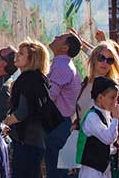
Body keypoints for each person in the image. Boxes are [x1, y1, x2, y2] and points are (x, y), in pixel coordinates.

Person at [73, 42, 119, 175]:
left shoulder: (113, 88)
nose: (105, 63)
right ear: (93, 59)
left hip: (102, 150)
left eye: (110, 60)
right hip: (84, 145)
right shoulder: (86, 82)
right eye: (101, 58)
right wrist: (76, 124)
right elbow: (82, 110)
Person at [2, 39, 51, 178]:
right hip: (33, 141)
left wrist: (5, 123)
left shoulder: (28, 79)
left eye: (21, 53)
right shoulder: (37, 79)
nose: (16, 55)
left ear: (32, 59)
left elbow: (23, 112)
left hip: (27, 143)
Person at [45, 33, 82, 178]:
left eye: (59, 37)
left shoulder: (61, 66)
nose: (55, 37)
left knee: (56, 172)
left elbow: (49, 96)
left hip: (57, 125)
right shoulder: (62, 64)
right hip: (60, 124)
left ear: (64, 48)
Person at [76, 76, 119, 178]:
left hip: (103, 169)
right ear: (100, 97)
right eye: (112, 97)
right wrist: (116, 118)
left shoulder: (107, 115)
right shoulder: (92, 117)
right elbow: (108, 138)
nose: (115, 102)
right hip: (92, 170)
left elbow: (110, 142)